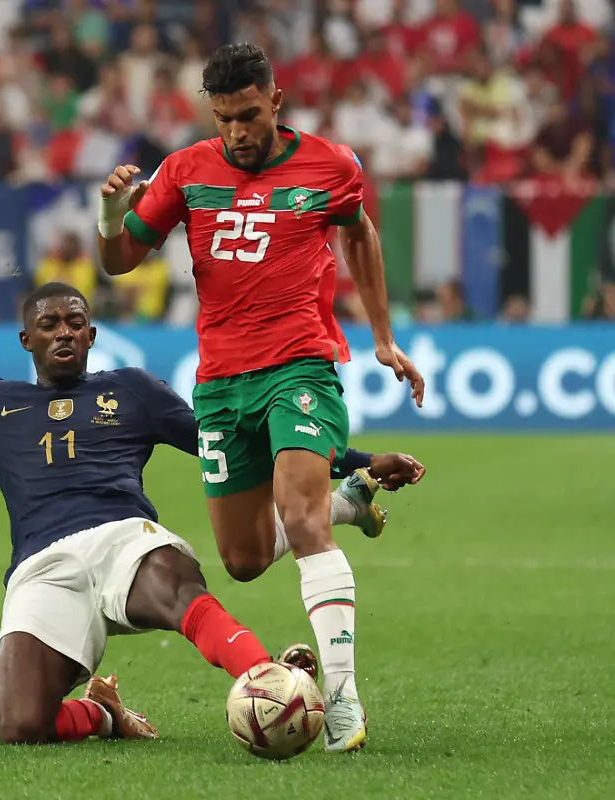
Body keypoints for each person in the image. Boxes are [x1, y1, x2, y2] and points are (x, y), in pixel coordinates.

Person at [0, 282, 423, 744]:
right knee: (21, 726)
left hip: (126, 538)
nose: (64, 332)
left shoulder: (134, 392)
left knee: (175, 588)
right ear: (25, 340)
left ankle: (271, 677)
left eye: (77, 323)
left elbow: (233, 442)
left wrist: (354, 462)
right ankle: (104, 713)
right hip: (42, 565)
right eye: (48, 324)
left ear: (92, 337)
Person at [94, 42, 427, 752]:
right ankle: (352, 498)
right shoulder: (187, 169)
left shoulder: (329, 166)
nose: (238, 132)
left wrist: (382, 335)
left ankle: (341, 702)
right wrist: (113, 214)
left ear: (275, 102)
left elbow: (359, 232)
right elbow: (119, 262)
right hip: (219, 382)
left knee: (303, 524)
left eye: (248, 115)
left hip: (299, 364)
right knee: (243, 559)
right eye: (224, 119)